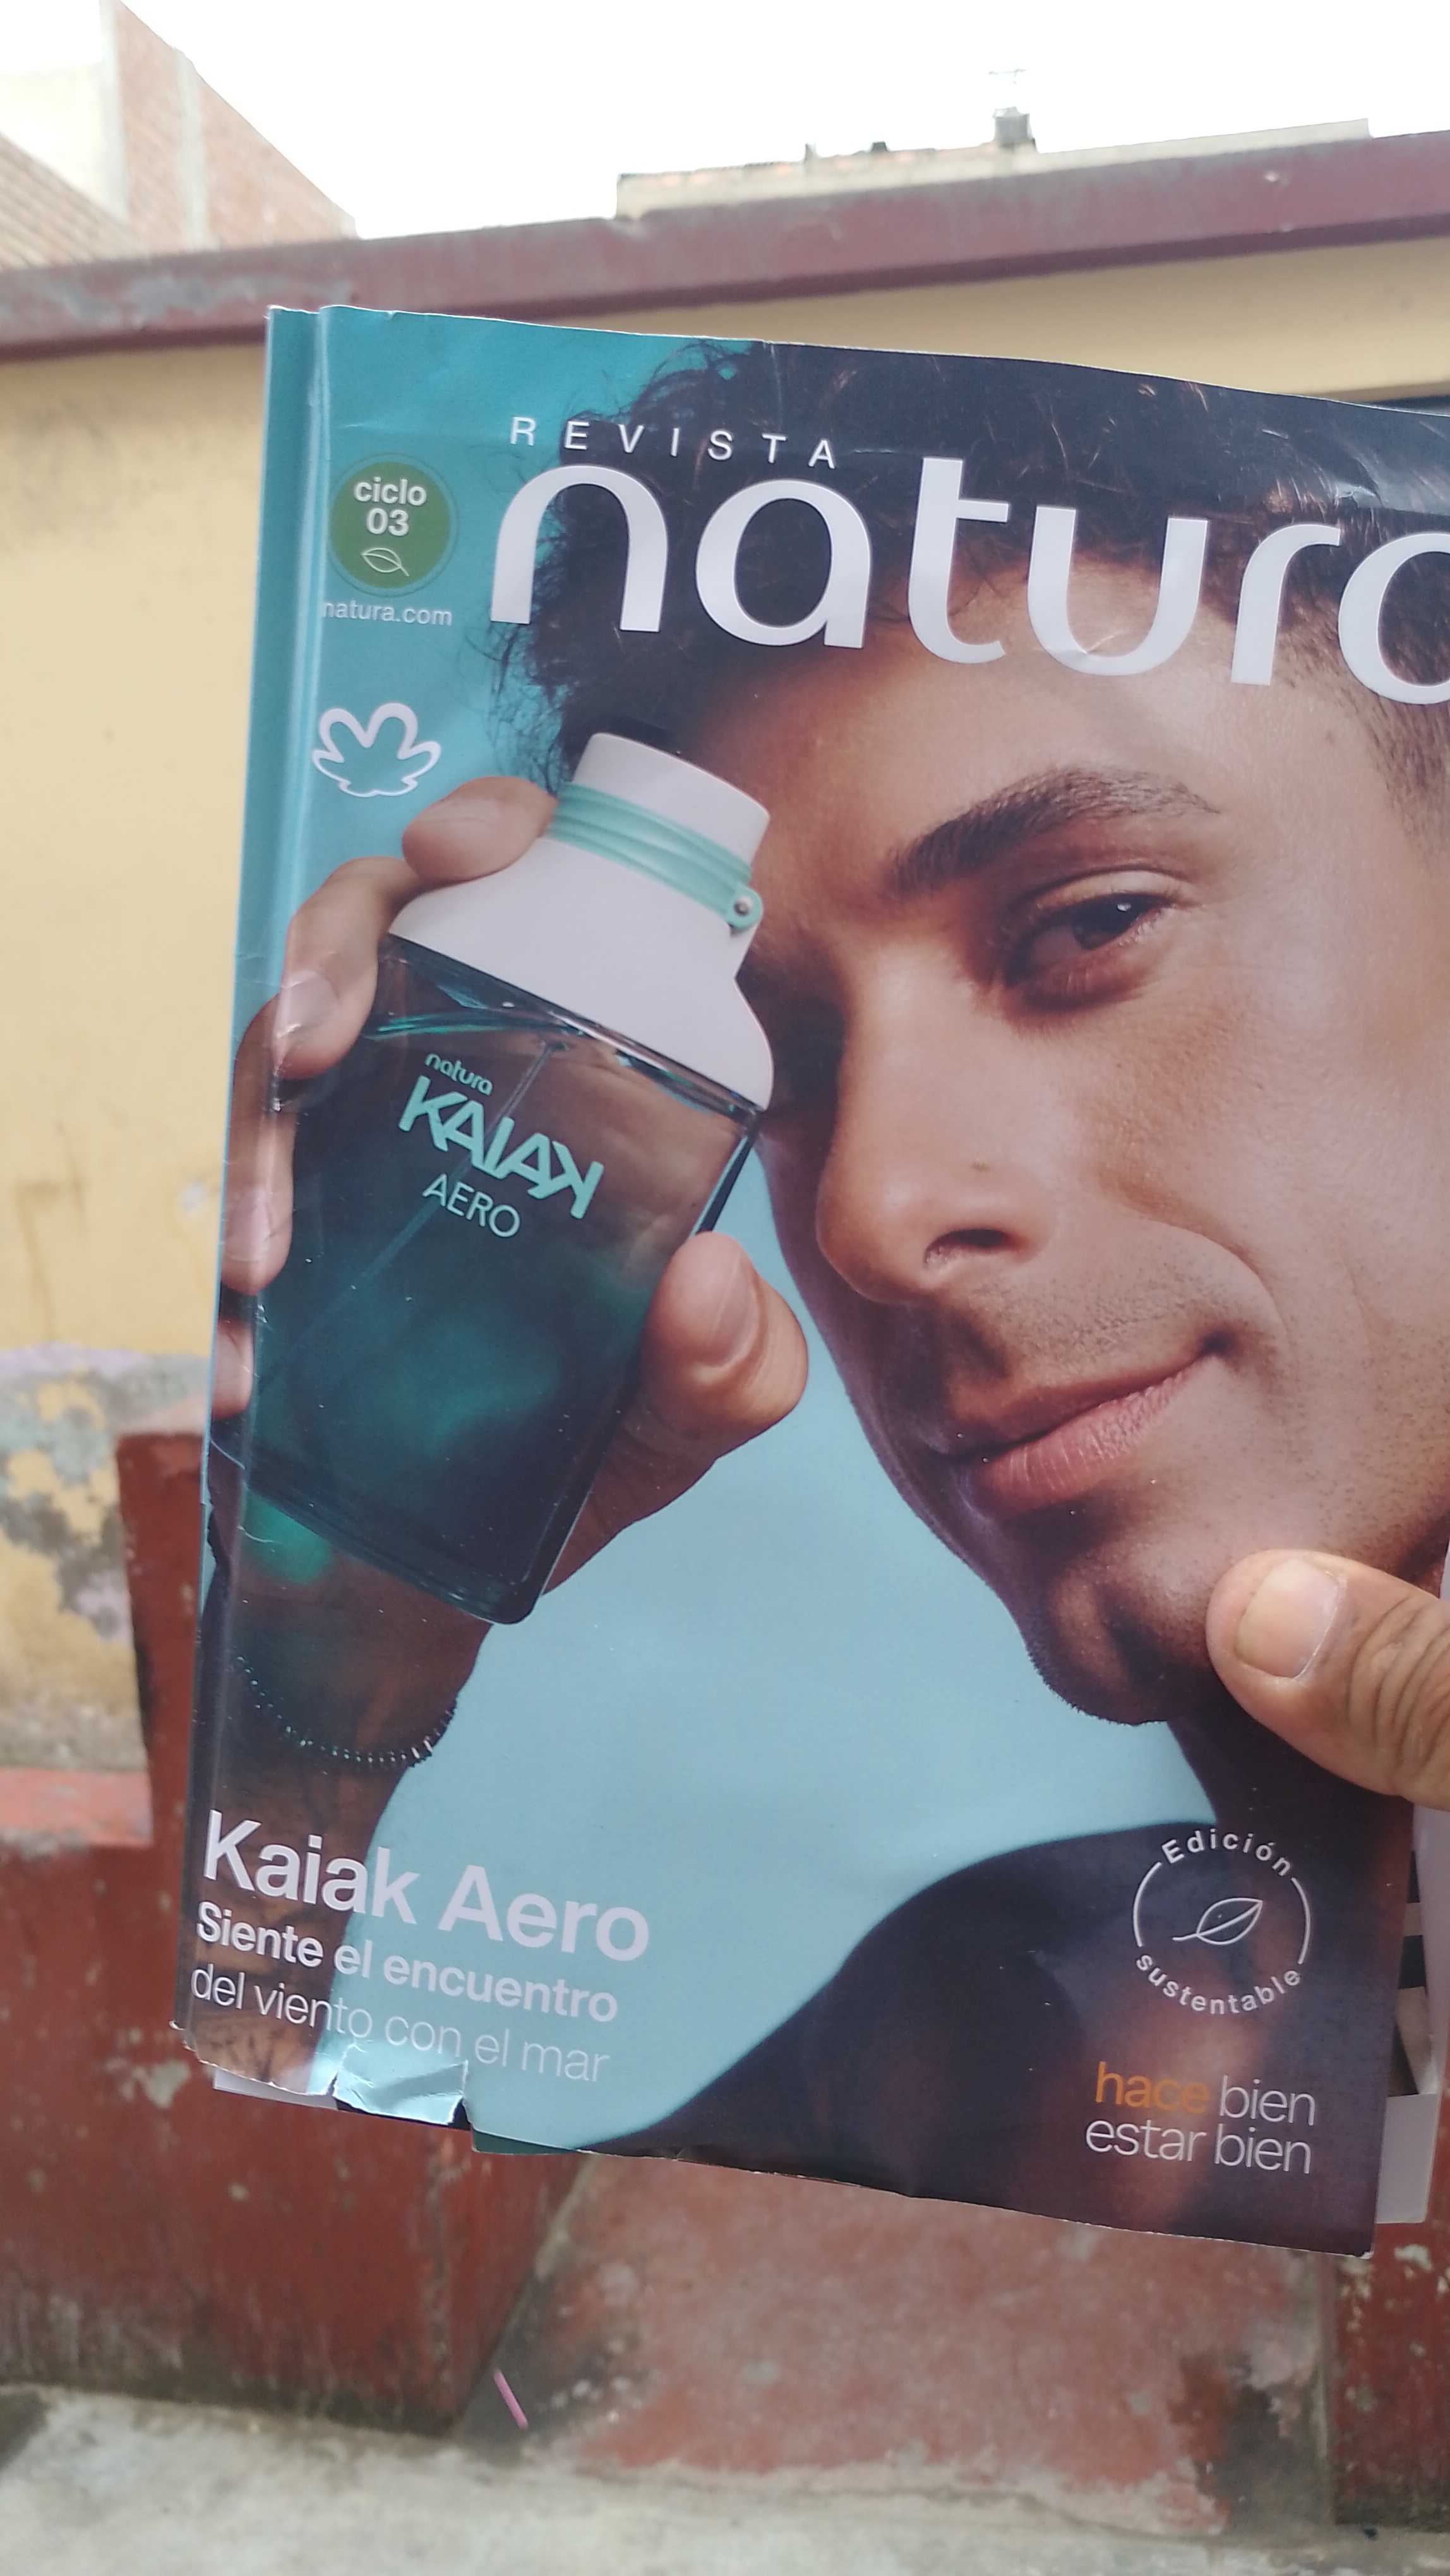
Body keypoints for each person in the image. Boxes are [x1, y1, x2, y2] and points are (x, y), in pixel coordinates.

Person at [201, 345, 1450, 2231]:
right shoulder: (991, 2039)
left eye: (1092, 923)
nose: (867, 1212)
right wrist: (321, 1684)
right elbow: (286, 2294)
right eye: (767, 1061)